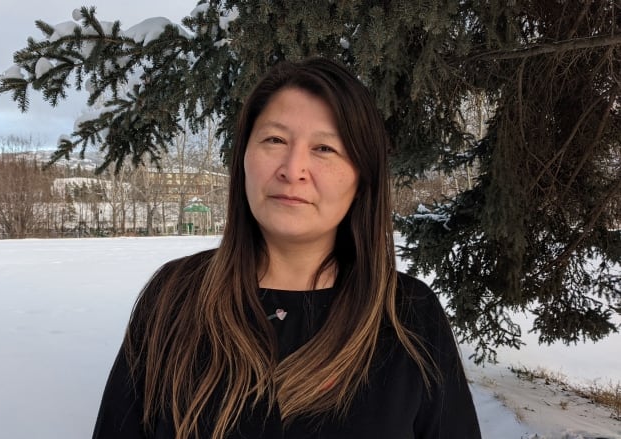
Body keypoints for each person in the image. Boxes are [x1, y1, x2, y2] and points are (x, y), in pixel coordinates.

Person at [92, 57, 481, 438]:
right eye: (275, 140)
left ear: (363, 177)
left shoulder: (408, 315)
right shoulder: (174, 297)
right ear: (243, 158)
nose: (292, 169)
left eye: (325, 148)